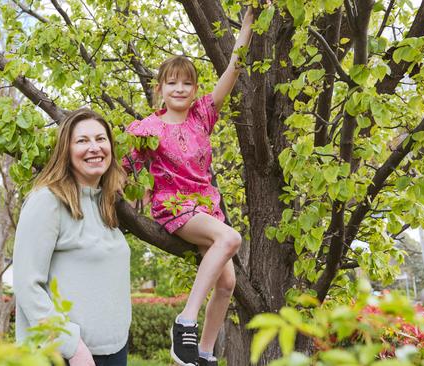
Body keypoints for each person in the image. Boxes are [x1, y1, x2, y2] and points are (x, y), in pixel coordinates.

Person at [123, 6, 258, 366]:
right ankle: (185, 321)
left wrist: (247, 25)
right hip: (174, 207)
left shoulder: (202, 115)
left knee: (227, 284)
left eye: (186, 83)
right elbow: (120, 167)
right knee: (230, 238)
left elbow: (234, 67)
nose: (179, 88)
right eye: (172, 82)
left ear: (195, 89)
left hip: (207, 208)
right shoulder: (146, 128)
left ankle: (202, 354)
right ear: (160, 89)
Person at [14, 108, 130, 366]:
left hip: (114, 353)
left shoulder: (108, 205)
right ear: (66, 150)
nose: (94, 147)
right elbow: (26, 284)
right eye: (82, 141)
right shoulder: (47, 201)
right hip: (66, 356)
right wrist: (71, 346)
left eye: (101, 139)